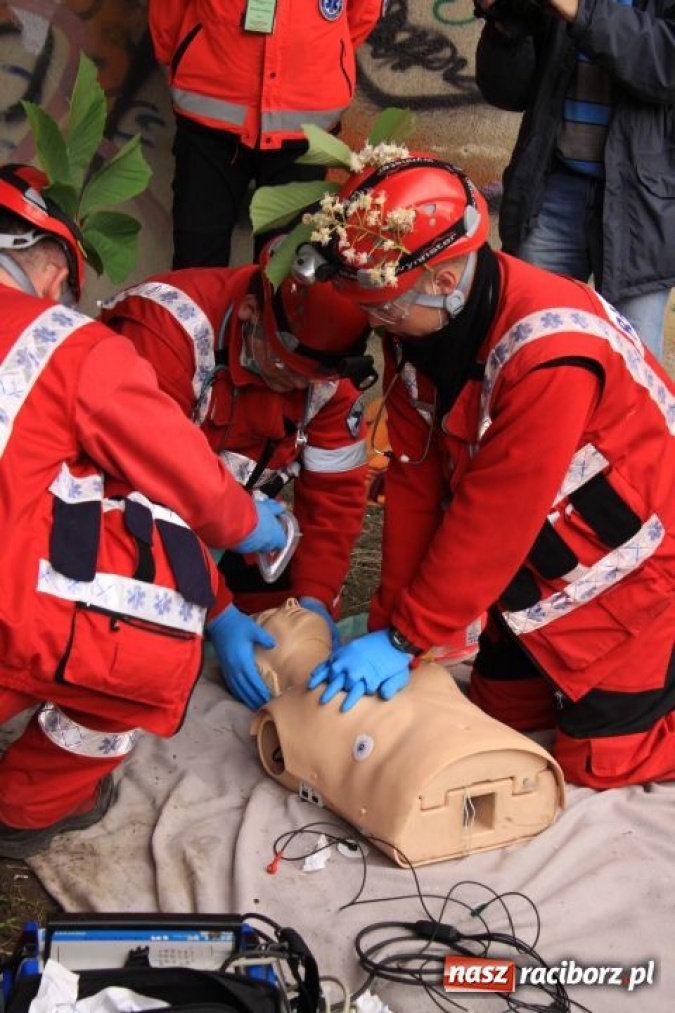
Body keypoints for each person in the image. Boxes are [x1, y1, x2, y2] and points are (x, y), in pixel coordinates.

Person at [292, 150, 675, 790]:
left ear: (443, 280)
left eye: (383, 305)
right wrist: (393, 627)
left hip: (642, 570)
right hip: (545, 563)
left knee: (599, 765)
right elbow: (414, 482)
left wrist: (410, 640)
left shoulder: (551, 354)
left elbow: (493, 516)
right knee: (501, 717)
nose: (373, 320)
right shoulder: (418, 331)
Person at [0, 163, 288, 857]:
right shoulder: (66, 342)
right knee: (145, 651)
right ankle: (27, 805)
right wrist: (249, 523)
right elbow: (183, 474)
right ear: (48, 273)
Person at [99, 243, 374, 712]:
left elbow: (336, 501)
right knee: (132, 641)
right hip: (131, 519)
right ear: (250, 311)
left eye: (315, 378)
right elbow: (132, 492)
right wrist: (217, 610)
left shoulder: (327, 374)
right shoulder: (165, 332)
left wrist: (314, 597)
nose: (301, 386)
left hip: (239, 525)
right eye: (289, 370)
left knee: (282, 630)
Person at [472, 0, 675, 361]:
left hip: (642, 208)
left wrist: (581, 11)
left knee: (633, 372)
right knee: (525, 351)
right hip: (550, 194)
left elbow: (666, 66)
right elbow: (509, 92)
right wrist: (504, 25)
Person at [147, 0, 385, 268]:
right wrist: (178, 58)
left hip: (304, 131)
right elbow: (167, 8)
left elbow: (364, 11)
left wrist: (323, 54)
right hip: (210, 121)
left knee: (282, 272)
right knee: (196, 262)